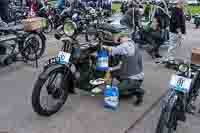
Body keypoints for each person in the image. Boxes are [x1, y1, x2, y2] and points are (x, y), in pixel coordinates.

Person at [104, 32, 145, 105]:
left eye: (119, 39)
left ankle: (138, 91)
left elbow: (114, 50)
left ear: (124, 37)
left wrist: (104, 46)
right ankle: (125, 87)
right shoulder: (132, 44)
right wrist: (110, 69)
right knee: (113, 73)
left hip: (134, 78)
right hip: (132, 74)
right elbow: (120, 65)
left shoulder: (126, 45)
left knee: (116, 91)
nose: (119, 42)